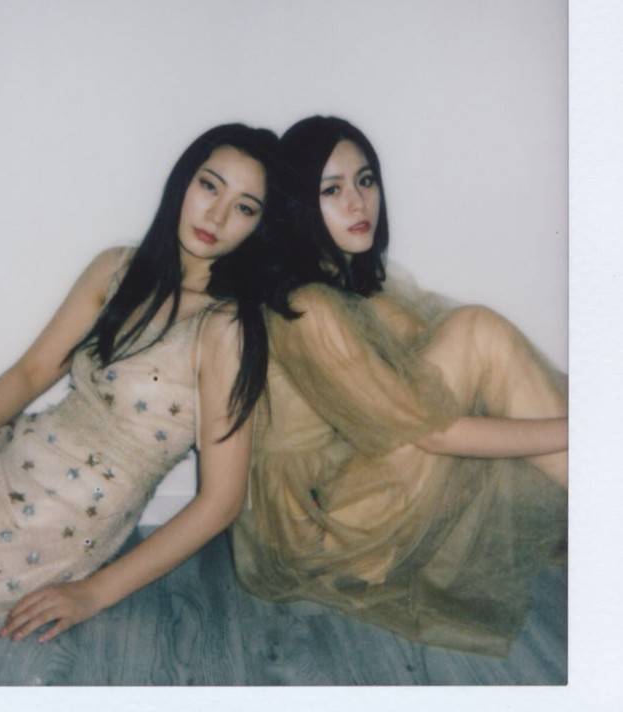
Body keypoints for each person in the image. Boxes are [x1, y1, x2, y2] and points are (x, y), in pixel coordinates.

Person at [0, 123, 281, 644]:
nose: (217, 216)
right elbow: (33, 371)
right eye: (210, 186)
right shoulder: (118, 268)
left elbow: (222, 501)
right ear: (183, 182)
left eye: (244, 208)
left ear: (258, 227)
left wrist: (94, 593)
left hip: (57, 517)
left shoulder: (225, 329)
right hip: (12, 450)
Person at [232, 115, 568, 657]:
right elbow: (434, 433)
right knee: (475, 332)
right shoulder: (307, 307)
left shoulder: (350, 288)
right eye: (331, 190)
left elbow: (456, 362)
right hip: (320, 535)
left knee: (476, 335)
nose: (358, 202)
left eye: (365, 180)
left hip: (349, 497)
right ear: (297, 205)